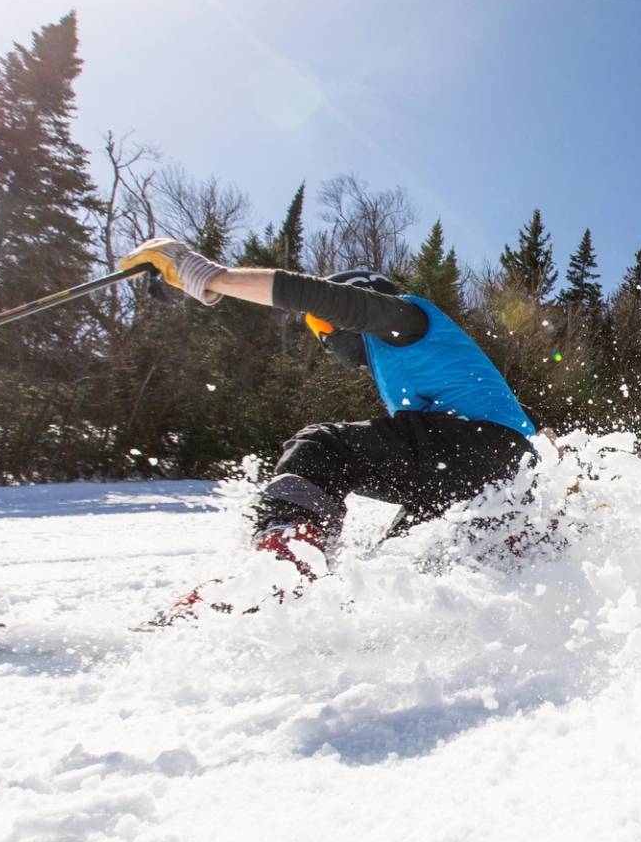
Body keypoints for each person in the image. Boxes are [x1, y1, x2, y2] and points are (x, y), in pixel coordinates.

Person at [120, 238, 539, 586]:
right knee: (399, 568)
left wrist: (208, 276)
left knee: (321, 447)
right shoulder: (400, 363)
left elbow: (320, 296)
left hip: (481, 448)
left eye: (323, 326)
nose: (324, 340)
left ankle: (283, 564)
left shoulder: (407, 321)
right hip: (496, 476)